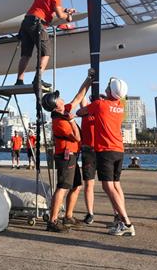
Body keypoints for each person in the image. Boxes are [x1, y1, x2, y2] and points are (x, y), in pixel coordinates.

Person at [77, 76, 135, 236]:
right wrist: (113, 83)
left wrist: (90, 82)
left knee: (107, 186)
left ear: (109, 91)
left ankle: (126, 222)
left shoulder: (99, 105)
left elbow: (79, 111)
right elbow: (117, 94)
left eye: (108, 87)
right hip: (119, 149)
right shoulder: (121, 106)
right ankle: (118, 217)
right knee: (116, 185)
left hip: (106, 150)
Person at [40, 71, 92, 233]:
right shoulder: (59, 122)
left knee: (76, 186)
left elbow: (79, 96)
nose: (62, 98)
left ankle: (68, 216)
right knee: (62, 187)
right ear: (56, 104)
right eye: (59, 98)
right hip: (65, 156)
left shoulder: (65, 111)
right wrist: (71, 120)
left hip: (72, 156)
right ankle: (53, 220)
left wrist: (89, 79)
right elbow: (77, 137)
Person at [15, 0, 76, 89]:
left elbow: (51, 6)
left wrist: (66, 10)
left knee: (26, 55)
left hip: (27, 22)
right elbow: (58, 14)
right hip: (38, 23)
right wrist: (68, 16)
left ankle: (19, 80)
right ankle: (37, 79)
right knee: (45, 53)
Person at [78, 97, 97, 225]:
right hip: (87, 151)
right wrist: (89, 79)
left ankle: (116, 214)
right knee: (89, 184)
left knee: (110, 184)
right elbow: (82, 98)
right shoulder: (85, 112)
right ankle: (90, 213)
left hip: (101, 150)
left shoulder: (102, 111)